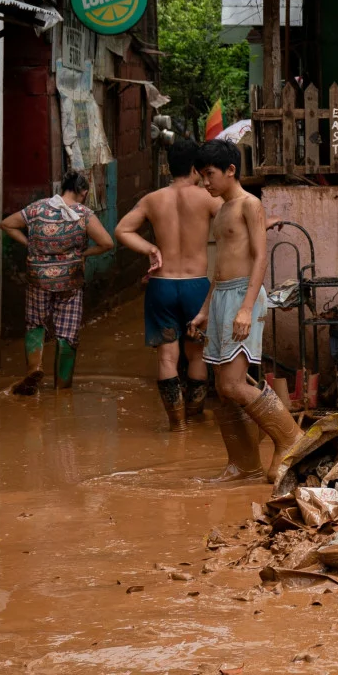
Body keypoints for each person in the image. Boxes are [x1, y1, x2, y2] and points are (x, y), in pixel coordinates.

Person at [190, 138, 298, 481]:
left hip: (242, 296)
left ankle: (290, 440)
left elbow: (260, 257)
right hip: (222, 295)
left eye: (209, 175)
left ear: (230, 170)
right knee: (222, 388)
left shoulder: (250, 205)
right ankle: (243, 463)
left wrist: (246, 308)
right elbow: (218, 266)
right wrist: (205, 309)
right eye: (202, 176)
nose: (206, 183)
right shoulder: (221, 210)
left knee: (235, 384)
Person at [115, 139, 222, 430]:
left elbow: (122, 229)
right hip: (196, 286)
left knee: (167, 355)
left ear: (168, 167)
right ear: (194, 168)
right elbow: (240, 219)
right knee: (196, 353)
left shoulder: (152, 199)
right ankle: (195, 415)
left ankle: (176, 425)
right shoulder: (207, 198)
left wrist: (150, 248)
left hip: (161, 286)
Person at [1, 169, 114, 395]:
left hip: (38, 277)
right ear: (82, 191)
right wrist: (84, 254)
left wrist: (29, 244)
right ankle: (62, 386)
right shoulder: (83, 214)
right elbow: (107, 243)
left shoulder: (37, 208)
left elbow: (7, 224)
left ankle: (34, 368)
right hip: (70, 280)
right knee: (67, 331)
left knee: (35, 323)